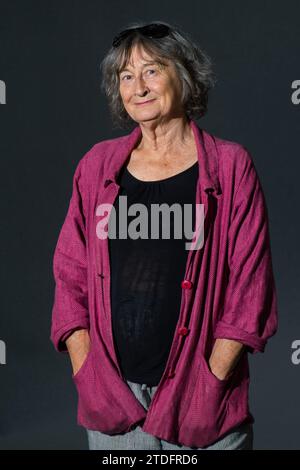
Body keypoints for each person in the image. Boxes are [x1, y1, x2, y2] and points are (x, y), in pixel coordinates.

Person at [50, 20, 278, 450]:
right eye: (127, 76)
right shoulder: (96, 166)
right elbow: (69, 274)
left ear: (184, 75)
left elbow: (251, 288)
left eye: (153, 70)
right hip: (114, 402)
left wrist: (210, 381)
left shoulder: (230, 167)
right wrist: (88, 372)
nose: (139, 86)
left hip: (200, 404)